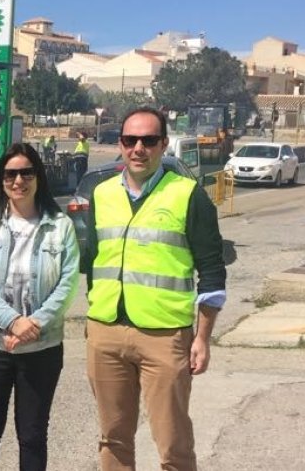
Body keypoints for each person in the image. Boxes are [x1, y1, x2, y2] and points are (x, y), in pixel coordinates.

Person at [81, 106, 227, 471]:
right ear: (121, 144)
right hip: (107, 332)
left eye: (148, 140)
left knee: (173, 444)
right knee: (112, 437)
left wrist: (202, 338)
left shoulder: (188, 194)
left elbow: (211, 272)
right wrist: (94, 317)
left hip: (165, 335)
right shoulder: (101, 195)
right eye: (131, 140)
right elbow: (94, 261)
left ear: (164, 144)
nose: (138, 149)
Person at [0, 143, 79, 471]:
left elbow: (67, 286)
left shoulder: (60, 227)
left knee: (32, 435)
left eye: (26, 172)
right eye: (10, 174)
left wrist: (34, 325)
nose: (18, 180)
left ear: (38, 177)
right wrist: (13, 322)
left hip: (41, 348)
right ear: (1, 180)